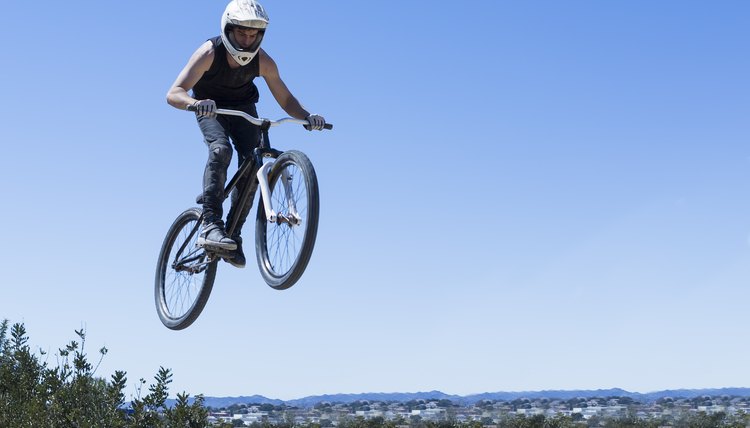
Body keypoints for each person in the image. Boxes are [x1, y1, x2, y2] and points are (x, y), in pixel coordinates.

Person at [166, 0, 326, 268]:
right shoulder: (209, 53)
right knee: (221, 149)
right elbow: (173, 93)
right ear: (228, 30)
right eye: (242, 33)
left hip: (243, 110)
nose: (247, 40)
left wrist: (308, 117)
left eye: (253, 35)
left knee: (254, 164)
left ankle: (233, 234)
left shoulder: (264, 61)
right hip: (210, 107)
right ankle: (210, 223)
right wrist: (195, 104)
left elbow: (286, 99)